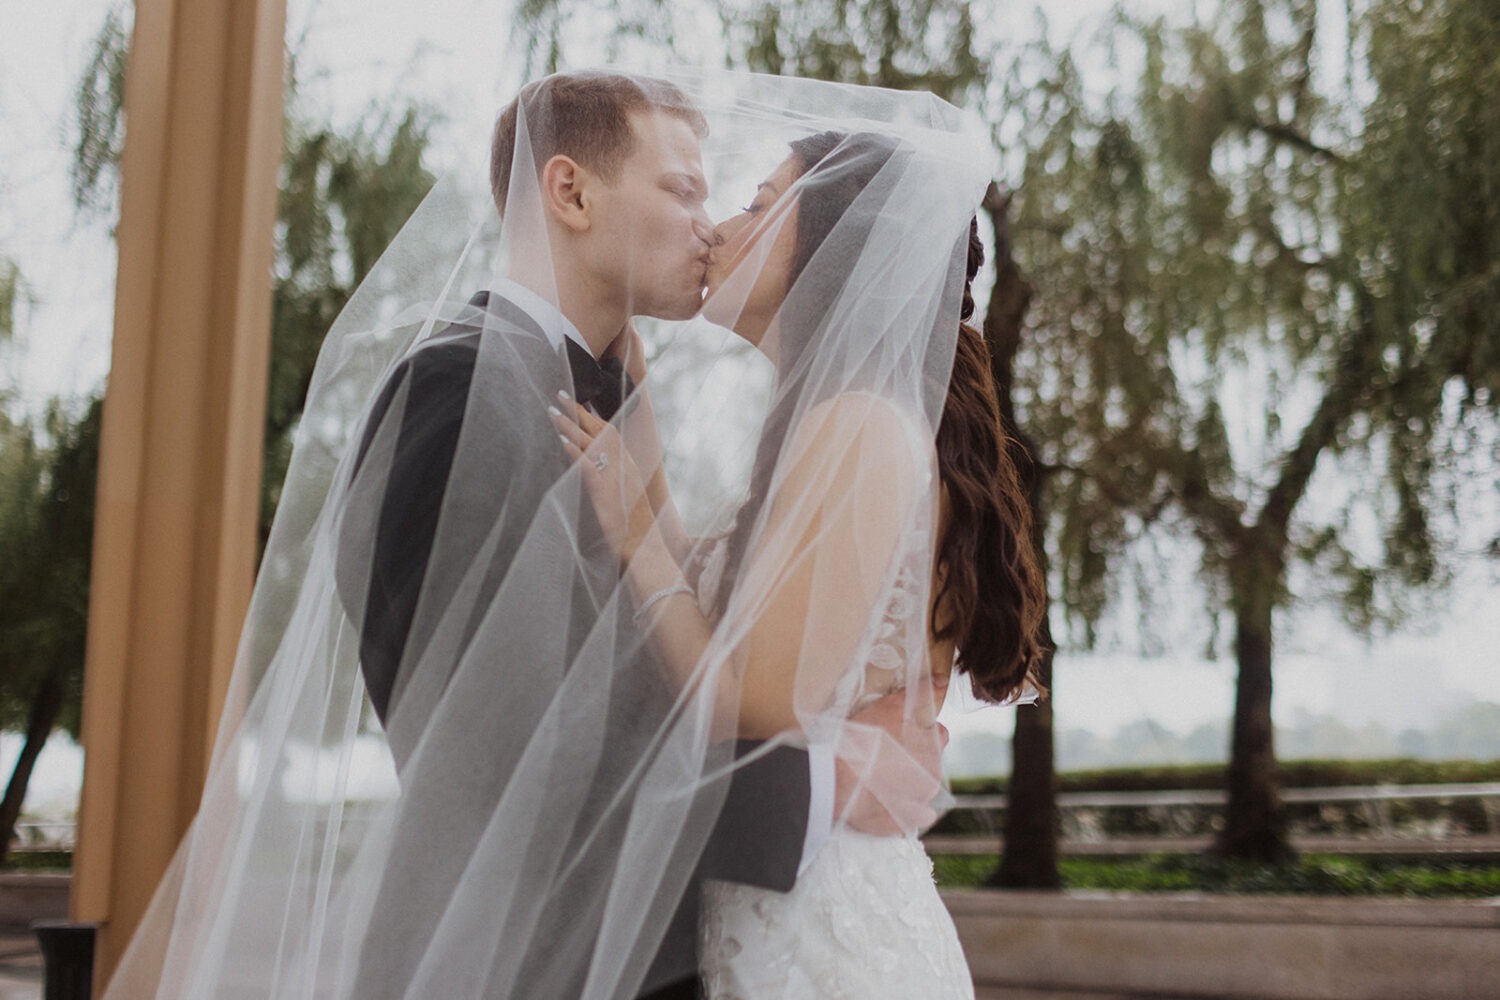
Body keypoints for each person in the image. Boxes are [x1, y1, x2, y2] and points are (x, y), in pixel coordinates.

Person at [101, 71, 953, 1000]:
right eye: (684, 189)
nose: (709, 224)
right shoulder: (455, 394)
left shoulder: (610, 405)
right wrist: (823, 793)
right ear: (570, 191)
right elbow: (508, 752)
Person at [552, 130, 1047, 997]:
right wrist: (638, 422)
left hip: (821, 945)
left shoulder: (856, 424)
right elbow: (722, 610)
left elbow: (758, 702)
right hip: (785, 912)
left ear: (832, 248)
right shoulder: (843, 420)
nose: (718, 227)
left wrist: (633, 534)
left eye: (753, 203)